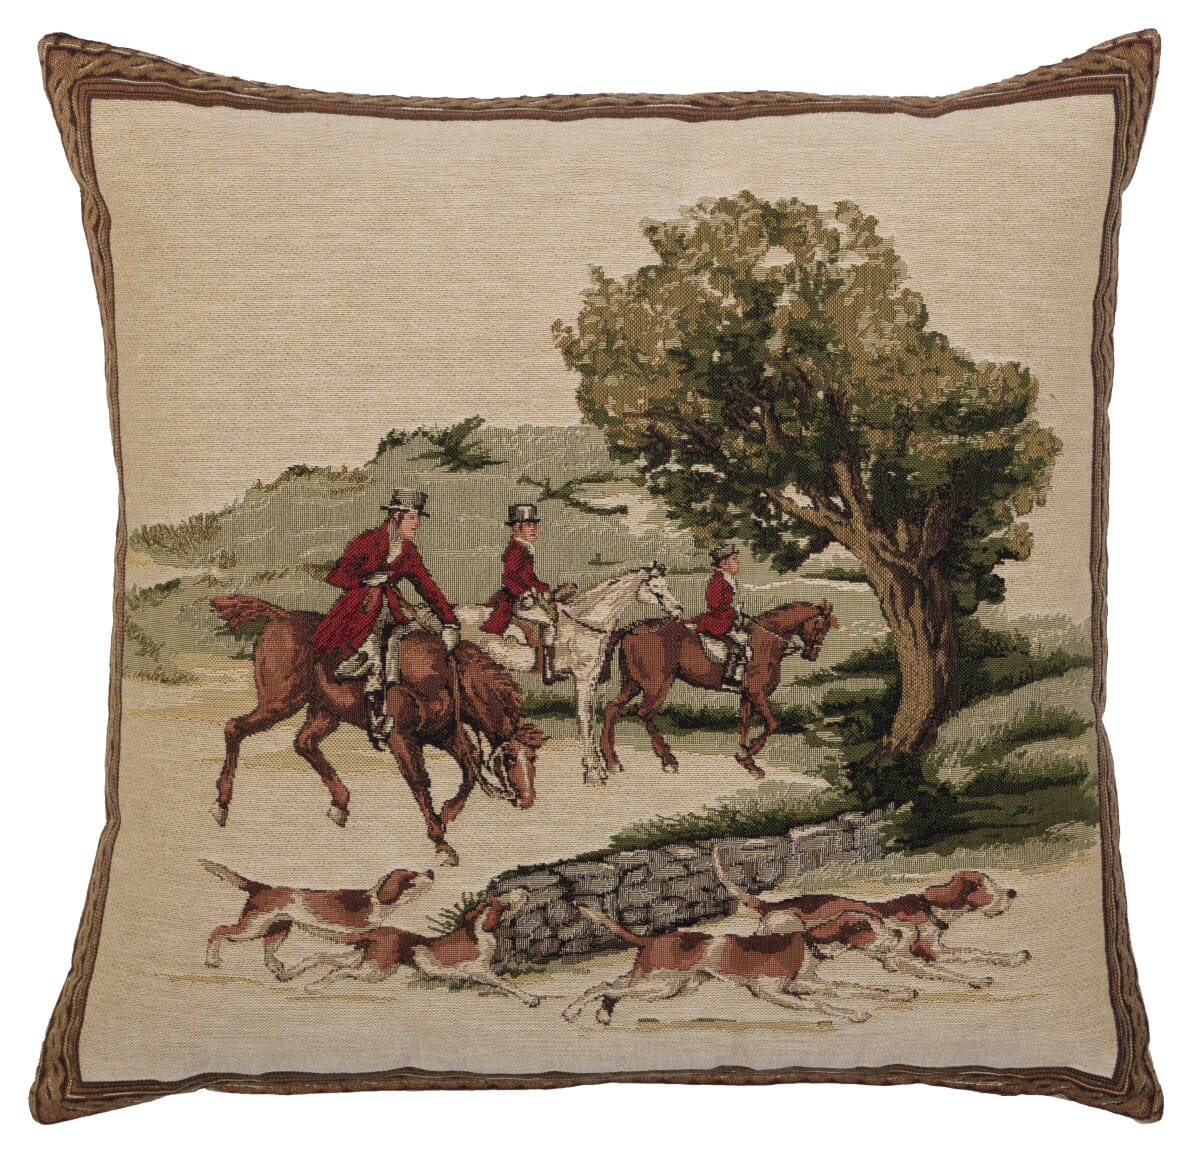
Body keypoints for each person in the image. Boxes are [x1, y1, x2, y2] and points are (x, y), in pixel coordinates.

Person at [311, 488, 460, 749]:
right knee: (375, 653)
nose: (417, 524)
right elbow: (336, 576)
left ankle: (394, 699)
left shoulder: (408, 552)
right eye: (412, 517)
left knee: (405, 641)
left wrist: (449, 622)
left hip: (389, 609)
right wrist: (366, 579)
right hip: (357, 611)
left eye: (418, 518)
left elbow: (428, 589)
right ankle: (375, 714)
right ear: (396, 517)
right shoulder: (367, 541)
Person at [480, 503, 562, 684]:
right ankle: (548, 671)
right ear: (517, 527)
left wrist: (543, 588)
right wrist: (524, 593)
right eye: (529, 525)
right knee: (549, 622)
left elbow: (528, 577)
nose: (534, 529)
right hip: (515, 599)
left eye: (535, 525)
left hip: (524, 596)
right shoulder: (515, 549)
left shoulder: (524, 547)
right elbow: (509, 577)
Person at [688, 542, 751, 688]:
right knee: (739, 642)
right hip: (718, 620)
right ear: (723, 563)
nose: (737, 562)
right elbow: (715, 606)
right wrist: (734, 611)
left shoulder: (728, 578)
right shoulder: (717, 580)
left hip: (726, 618)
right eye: (733, 559)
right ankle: (729, 679)